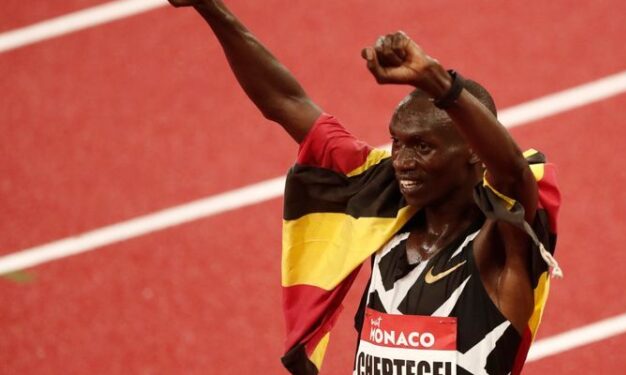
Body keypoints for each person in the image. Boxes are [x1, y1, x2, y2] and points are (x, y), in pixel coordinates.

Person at [168, 1, 561, 374]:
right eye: (397, 142)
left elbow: (512, 175)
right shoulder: (384, 215)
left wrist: (436, 81)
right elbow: (285, 101)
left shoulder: (500, 248)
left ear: (474, 153)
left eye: (422, 147)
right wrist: (211, 8)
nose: (402, 161)